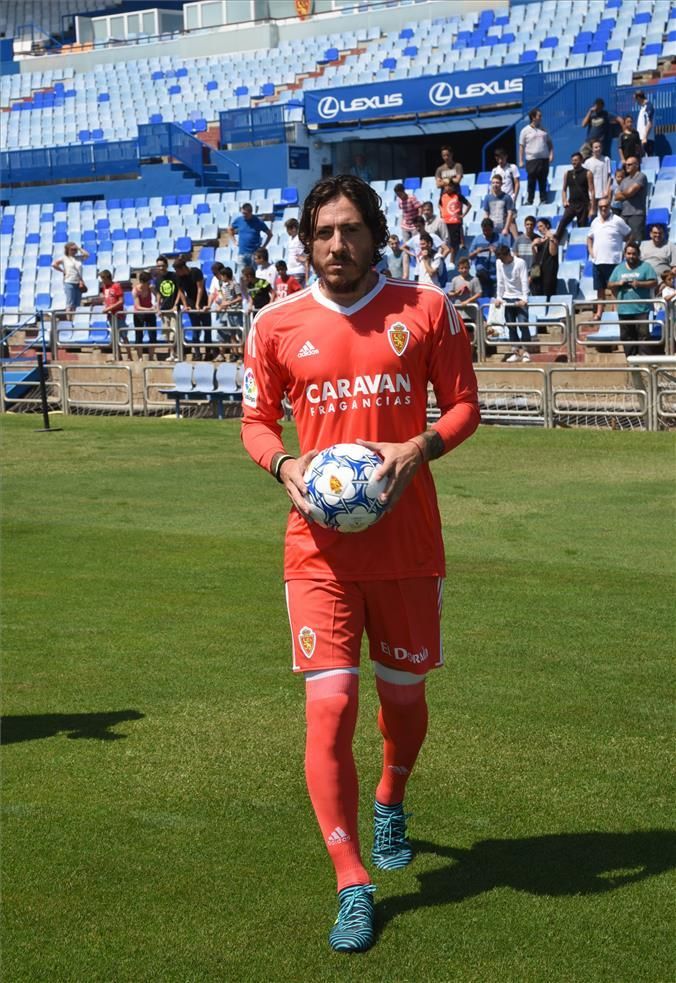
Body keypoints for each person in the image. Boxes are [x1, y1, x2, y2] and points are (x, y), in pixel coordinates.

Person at [240, 174, 480, 955]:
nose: (336, 245)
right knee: (332, 705)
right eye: (322, 233)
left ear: (375, 233)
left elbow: (464, 405)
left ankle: (390, 797)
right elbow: (254, 420)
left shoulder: (427, 310)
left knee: (402, 703)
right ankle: (352, 881)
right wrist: (285, 468)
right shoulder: (275, 323)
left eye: (349, 230)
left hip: (408, 544)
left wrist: (418, 447)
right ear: (305, 241)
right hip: (319, 550)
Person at [608, 242, 658, 357]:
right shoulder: (618, 268)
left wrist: (639, 283)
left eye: (634, 254)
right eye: (629, 253)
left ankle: (645, 363)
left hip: (642, 309)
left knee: (644, 336)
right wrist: (618, 283)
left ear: (638, 254)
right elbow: (610, 284)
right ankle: (631, 363)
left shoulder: (646, 266)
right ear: (625, 254)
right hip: (624, 309)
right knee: (626, 337)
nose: (631, 256)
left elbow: (654, 282)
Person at [586, 199, 631, 320]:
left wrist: (625, 250)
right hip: (598, 261)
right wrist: (591, 252)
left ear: (609, 206)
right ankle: (599, 312)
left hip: (613, 260)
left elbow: (629, 234)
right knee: (600, 289)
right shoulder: (595, 222)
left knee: (614, 287)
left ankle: (615, 311)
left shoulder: (617, 220)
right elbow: (589, 238)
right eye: (601, 207)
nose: (603, 209)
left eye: (605, 206)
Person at [494, 243, 530, 362]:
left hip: (520, 297)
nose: (502, 261)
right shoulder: (499, 263)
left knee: (523, 324)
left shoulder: (520, 263)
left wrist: (524, 299)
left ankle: (525, 352)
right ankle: (515, 351)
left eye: (503, 258)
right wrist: (499, 297)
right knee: (511, 326)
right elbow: (500, 281)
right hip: (507, 298)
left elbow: (524, 281)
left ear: (508, 254)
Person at [174, 254, 211, 360]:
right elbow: (181, 291)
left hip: (202, 300)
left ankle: (208, 352)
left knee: (207, 328)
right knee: (195, 329)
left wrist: (198, 304)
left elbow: (200, 288)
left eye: (178, 270)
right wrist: (185, 305)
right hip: (190, 301)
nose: (177, 273)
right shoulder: (178, 277)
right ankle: (197, 353)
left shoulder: (196, 272)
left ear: (183, 268)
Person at [555, 151, 596, 241]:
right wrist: (564, 200)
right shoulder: (568, 173)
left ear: (581, 160)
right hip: (571, 204)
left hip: (583, 204)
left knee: (582, 227)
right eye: (572, 160)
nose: (574, 162)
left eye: (576, 160)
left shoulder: (587, 173)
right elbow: (564, 189)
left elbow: (592, 190)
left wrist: (592, 208)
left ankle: (581, 244)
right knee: (563, 222)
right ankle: (555, 240)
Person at [518, 108, 553, 206]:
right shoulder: (525, 131)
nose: (541, 118)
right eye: (539, 116)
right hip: (532, 160)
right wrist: (521, 160)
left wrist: (551, 154)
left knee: (543, 180)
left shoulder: (543, 130)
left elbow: (549, 143)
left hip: (544, 159)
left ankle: (543, 199)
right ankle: (530, 200)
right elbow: (521, 146)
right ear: (533, 117)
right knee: (531, 181)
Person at [468, 217, 510, 298]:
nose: (486, 232)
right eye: (484, 231)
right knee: (484, 299)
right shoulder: (477, 239)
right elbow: (470, 256)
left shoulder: (500, 238)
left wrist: (496, 251)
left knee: (496, 299)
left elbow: (507, 254)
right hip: (482, 277)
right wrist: (476, 252)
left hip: (497, 276)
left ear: (493, 228)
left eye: (488, 230)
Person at [154, 254, 186, 362]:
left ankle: (178, 354)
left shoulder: (174, 276)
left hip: (174, 309)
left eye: (162, 265)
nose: (160, 268)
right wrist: (158, 307)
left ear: (166, 265)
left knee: (174, 332)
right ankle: (172, 353)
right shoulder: (157, 279)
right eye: (158, 266)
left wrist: (176, 305)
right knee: (167, 334)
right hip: (164, 309)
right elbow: (158, 294)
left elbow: (180, 291)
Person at [208, 263, 242, 360]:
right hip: (225, 309)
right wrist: (214, 305)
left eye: (218, 274)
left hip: (233, 310)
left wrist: (226, 304)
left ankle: (241, 354)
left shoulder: (233, 283)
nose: (217, 276)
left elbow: (238, 297)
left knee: (239, 333)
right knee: (227, 332)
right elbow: (215, 295)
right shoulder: (220, 283)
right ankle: (230, 354)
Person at [613, 157, 648, 244]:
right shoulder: (625, 180)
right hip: (624, 214)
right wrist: (628, 194)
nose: (627, 167)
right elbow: (616, 197)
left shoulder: (641, 176)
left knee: (636, 241)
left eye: (629, 164)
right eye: (626, 165)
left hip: (637, 215)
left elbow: (630, 192)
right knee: (624, 241)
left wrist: (626, 194)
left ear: (636, 165)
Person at [438, 177, 471, 266]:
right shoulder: (443, 196)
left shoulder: (458, 195)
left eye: (449, 186)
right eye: (445, 186)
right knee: (444, 242)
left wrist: (462, 215)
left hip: (455, 222)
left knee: (453, 243)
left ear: (452, 186)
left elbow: (469, 205)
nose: (447, 188)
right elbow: (440, 205)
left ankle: (452, 261)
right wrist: (441, 214)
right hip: (445, 223)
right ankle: (441, 258)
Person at [448, 256, 482, 342]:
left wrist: (467, 301)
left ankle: (472, 351)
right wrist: (455, 293)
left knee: (470, 332)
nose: (464, 270)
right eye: (462, 268)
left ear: (469, 268)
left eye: (466, 268)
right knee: (460, 333)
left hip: (470, 312)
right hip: (459, 311)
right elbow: (449, 293)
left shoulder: (474, 280)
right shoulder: (455, 280)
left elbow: (479, 293)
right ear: (458, 269)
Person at [52, 241, 89, 317]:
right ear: (68, 250)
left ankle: (75, 320)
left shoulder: (79, 258)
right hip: (69, 281)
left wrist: (79, 248)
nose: (74, 251)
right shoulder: (64, 258)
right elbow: (54, 264)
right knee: (70, 303)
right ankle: (68, 321)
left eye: (75, 249)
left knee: (77, 303)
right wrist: (62, 271)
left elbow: (87, 255)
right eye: (72, 249)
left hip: (78, 283)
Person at [229, 202, 272, 268]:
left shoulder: (258, 221)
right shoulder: (239, 220)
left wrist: (264, 246)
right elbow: (230, 229)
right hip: (242, 253)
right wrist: (234, 240)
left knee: (253, 275)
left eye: (245, 213)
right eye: (242, 213)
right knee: (243, 275)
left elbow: (269, 234)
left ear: (250, 212)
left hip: (254, 254)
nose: (244, 215)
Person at [490, 147, 520, 239]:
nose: (500, 160)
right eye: (497, 159)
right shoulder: (495, 170)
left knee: (511, 220)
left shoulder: (512, 167)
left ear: (506, 157)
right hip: (498, 199)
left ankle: (517, 241)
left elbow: (517, 183)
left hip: (509, 197)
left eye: (501, 158)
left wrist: (514, 196)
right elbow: (492, 185)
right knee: (498, 221)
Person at [530, 218, 559, 300]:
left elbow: (553, 253)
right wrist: (533, 245)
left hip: (549, 269)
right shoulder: (539, 240)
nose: (539, 228)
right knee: (537, 291)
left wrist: (551, 238)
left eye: (541, 226)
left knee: (548, 292)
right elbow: (535, 256)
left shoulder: (553, 238)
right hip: (538, 270)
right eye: (538, 227)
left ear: (547, 226)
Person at [131, 270, 158, 358]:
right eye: (148, 281)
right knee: (139, 334)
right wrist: (149, 309)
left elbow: (158, 295)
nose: (149, 283)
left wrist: (156, 304)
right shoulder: (135, 291)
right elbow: (138, 306)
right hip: (139, 314)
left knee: (152, 334)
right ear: (143, 282)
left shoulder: (150, 288)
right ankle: (140, 357)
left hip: (149, 313)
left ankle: (151, 356)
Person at [481, 174, 515, 242]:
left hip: (503, 229)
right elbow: (486, 214)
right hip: (491, 230)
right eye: (493, 183)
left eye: (497, 182)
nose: (495, 184)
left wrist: (506, 228)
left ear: (501, 184)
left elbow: (510, 214)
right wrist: (486, 228)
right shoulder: (487, 197)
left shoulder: (507, 197)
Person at [284, 217, 309, 287]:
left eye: (288, 229)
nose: (287, 231)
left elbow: (310, 249)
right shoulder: (289, 239)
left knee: (296, 291)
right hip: (290, 270)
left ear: (294, 228)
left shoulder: (300, 238)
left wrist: (305, 258)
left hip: (298, 270)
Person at [635, 91, 655, 158]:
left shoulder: (648, 106)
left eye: (636, 99)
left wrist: (645, 137)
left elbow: (649, 122)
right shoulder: (643, 108)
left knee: (647, 160)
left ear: (639, 98)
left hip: (646, 139)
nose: (636, 102)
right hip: (642, 138)